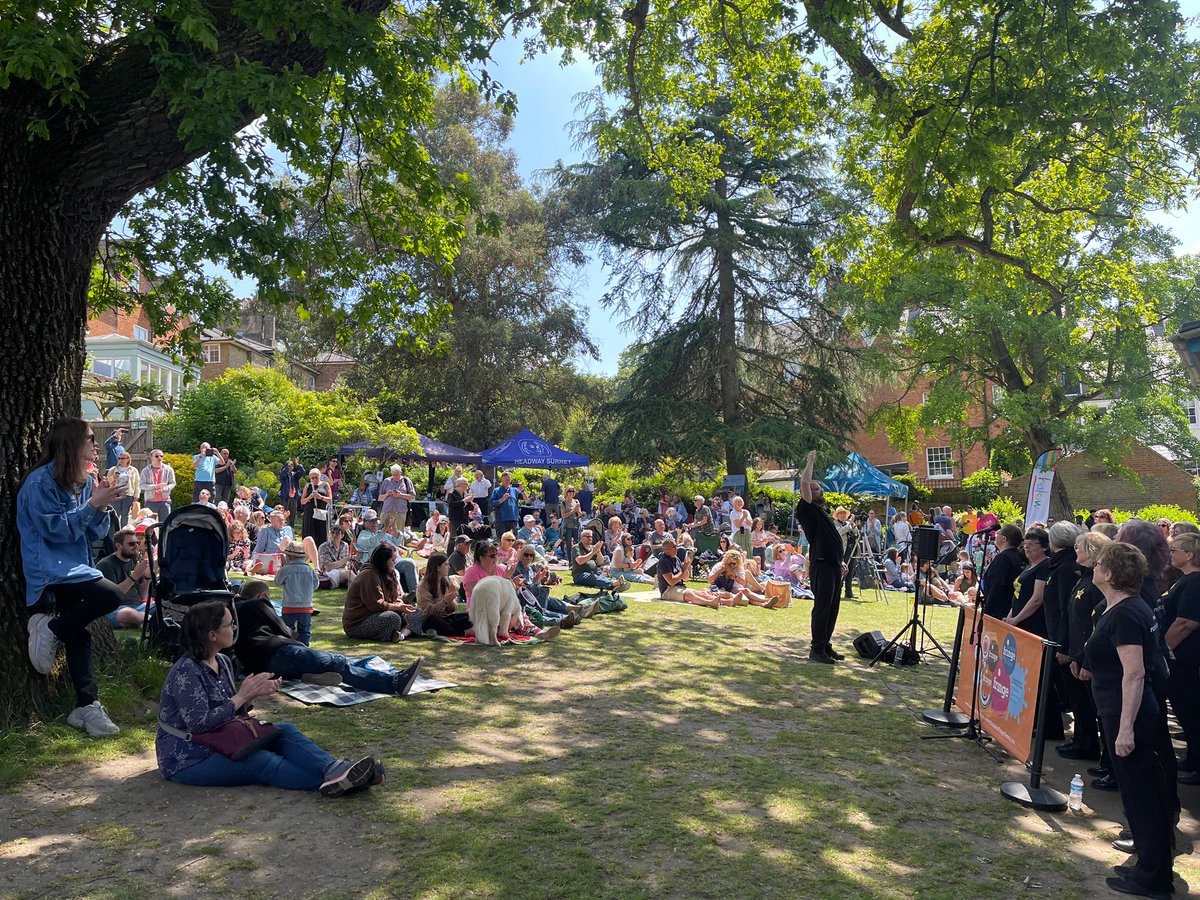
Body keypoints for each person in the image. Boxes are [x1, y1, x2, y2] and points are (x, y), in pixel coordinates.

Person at [157, 600, 382, 796]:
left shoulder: (223, 662)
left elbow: (230, 711)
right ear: (212, 635)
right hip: (189, 757)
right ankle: (338, 782)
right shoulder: (186, 672)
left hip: (220, 738)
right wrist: (242, 695)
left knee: (284, 731)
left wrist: (251, 695)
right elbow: (199, 724)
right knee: (261, 761)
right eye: (228, 624)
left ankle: (334, 769)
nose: (235, 627)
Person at [19, 418, 128, 736]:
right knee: (112, 595)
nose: (97, 444)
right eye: (91, 438)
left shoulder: (82, 481)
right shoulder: (40, 483)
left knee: (79, 635)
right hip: (50, 569)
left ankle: (85, 706)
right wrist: (92, 504)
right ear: (71, 443)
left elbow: (93, 532)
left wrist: (102, 505)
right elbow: (52, 531)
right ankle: (50, 628)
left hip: (77, 565)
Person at [1086, 542, 1175, 899]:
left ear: (1109, 574)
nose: (1094, 567)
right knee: (1140, 794)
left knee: (1142, 796)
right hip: (1124, 709)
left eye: (1099, 564)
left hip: (1130, 714)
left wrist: (1124, 730)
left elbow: (1134, 674)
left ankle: (1154, 878)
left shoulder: (1126, 614)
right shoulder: (1125, 606)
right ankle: (1149, 868)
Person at [1062, 531, 1111, 764]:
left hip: (1088, 653)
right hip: (1077, 649)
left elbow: (1094, 623)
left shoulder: (1098, 581)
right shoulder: (1084, 577)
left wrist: (1085, 659)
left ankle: (1104, 756)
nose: (1076, 551)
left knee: (1094, 707)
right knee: (1081, 704)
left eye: (1079, 547)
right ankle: (1083, 742)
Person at [795, 450, 845, 663]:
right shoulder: (806, 509)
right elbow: (804, 484)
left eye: (819, 488)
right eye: (816, 489)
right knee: (823, 607)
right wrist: (810, 462)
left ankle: (825, 645)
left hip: (833, 565)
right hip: (821, 565)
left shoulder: (822, 512)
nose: (818, 491)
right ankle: (816, 650)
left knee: (833, 608)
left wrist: (840, 561)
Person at [1164, 532, 1200, 783]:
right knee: (1185, 711)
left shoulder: (1195, 583)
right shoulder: (1185, 579)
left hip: (1185, 659)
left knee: (1191, 711)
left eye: (1174, 550)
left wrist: (1163, 649)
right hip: (1180, 658)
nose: (1170, 554)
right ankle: (1193, 757)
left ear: (1189, 555)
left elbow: (1186, 623)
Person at [343, 543, 416, 642]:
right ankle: (401, 632)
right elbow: (377, 605)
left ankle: (401, 634)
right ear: (384, 561)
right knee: (392, 618)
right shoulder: (369, 575)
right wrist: (398, 608)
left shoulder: (390, 573)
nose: (394, 563)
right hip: (360, 622)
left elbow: (397, 595)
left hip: (384, 611)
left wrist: (401, 605)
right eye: (392, 560)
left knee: (416, 613)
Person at [96, 527, 152, 628]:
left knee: (162, 606)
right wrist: (134, 576)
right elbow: (113, 595)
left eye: (137, 543)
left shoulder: (135, 562)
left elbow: (143, 595)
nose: (136, 546)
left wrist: (147, 577)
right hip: (116, 609)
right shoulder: (105, 564)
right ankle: (153, 622)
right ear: (118, 545)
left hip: (138, 607)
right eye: (131, 544)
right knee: (128, 614)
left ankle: (144, 621)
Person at [415, 553, 472, 637]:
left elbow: (451, 610)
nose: (449, 567)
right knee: (433, 619)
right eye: (446, 565)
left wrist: (451, 599)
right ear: (438, 567)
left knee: (470, 616)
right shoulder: (423, 586)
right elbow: (428, 612)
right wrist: (445, 601)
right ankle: (461, 633)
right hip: (429, 619)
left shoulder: (445, 580)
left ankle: (448, 629)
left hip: (445, 618)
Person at [1006, 528, 1050, 636]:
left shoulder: (1045, 565)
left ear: (1044, 547)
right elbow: (1018, 595)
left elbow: (1037, 599)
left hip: (1031, 625)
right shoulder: (1029, 566)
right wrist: (1009, 617)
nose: (1026, 547)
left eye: (1032, 544)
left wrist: (1016, 619)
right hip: (1016, 621)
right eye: (1025, 543)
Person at [275, 544, 319, 645]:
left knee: (287, 629)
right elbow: (316, 585)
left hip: (289, 605)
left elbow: (277, 582)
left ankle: (288, 645)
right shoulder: (309, 570)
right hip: (306, 606)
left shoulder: (286, 570)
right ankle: (304, 647)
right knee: (304, 630)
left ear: (289, 557)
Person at [980, 524, 1025, 619]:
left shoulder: (1003, 558)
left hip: (999, 610)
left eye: (998, 533)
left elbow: (997, 585)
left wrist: (987, 609)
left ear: (1004, 538)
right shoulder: (1018, 556)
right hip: (1011, 607)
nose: (996, 535)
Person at [105, 450, 140, 527]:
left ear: (128, 459)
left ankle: (124, 531)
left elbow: (137, 483)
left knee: (125, 514)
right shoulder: (113, 469)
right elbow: (106, 482)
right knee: (115, 513)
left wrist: (136, 495)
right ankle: (114, 531)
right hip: (115, 493)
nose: (120, 460)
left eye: (123, 458)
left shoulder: (133, 470)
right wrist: (113, 477)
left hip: (128, 494)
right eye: (119, 458)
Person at [139, 449, 176, 521]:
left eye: (161, 456)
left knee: (165, 524)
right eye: (156, 456)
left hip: (165, 501)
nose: (159, 457)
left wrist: (165, 488)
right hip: (150, 501)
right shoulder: (146, 470)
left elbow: (173, 483)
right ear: (151, 458)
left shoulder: (169, 469)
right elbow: (142, 485)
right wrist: (155, 486)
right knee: (148, 524)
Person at [300, 467, 331, 547]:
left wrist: (320, 497)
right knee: (309, 532)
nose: (314, 479)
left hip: (321, 512)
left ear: (319, 476)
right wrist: (309, 497)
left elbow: (330, 499)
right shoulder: (307, 486)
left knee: (321, 532)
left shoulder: (325, 485)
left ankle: (321, 551)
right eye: (312, 477)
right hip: (309, 513)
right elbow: (302, 501)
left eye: (316, 477)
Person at [490, 471, 524, 539]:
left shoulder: (514, 490)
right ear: (502, 480)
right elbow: (491, 503)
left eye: (509, 479)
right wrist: (502, 499)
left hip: (513, 519)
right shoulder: (497, 490)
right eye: (506, 479)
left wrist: (522, 490)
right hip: (501, 520)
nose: (508, 481)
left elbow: (525, 498)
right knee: (502, 539)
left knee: (512, 540)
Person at [279, 458, 302, 527]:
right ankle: (282, 526)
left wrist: (298, 465)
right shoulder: (283, 474)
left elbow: (302, 472)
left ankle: (291, 527)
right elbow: (282, 474)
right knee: (284, 512)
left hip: (294, 496)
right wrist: (287, 466)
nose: (291, 467)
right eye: (289, 466)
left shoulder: (295, 475)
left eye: (292, 465)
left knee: (293, 513)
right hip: (285, 496)